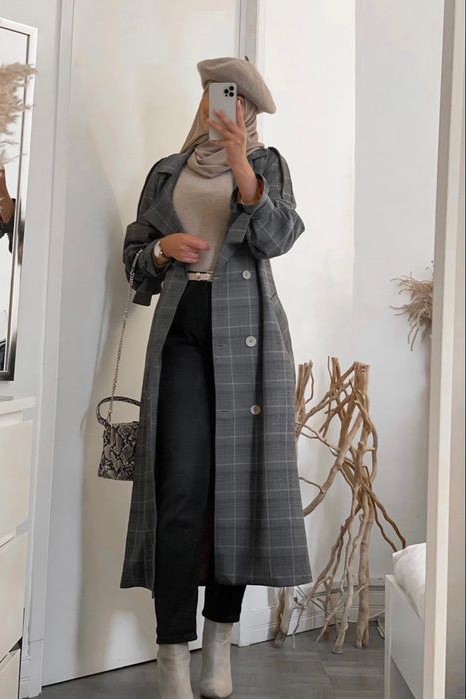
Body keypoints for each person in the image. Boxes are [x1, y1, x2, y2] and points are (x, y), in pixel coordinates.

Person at [121, 56, 312, 699]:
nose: (223, 108)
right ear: (202, 102)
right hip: (181, 328)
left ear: (250, 112)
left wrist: (240, 165)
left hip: (248, 333)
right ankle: (172, 654)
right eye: (214, 96)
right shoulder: (166, 171)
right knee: (179, 490)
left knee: (237, 489)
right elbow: (134, 256)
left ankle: (219, 646)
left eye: (235, 99)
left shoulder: (267, 164)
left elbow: (279, 237)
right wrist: (160, 249)